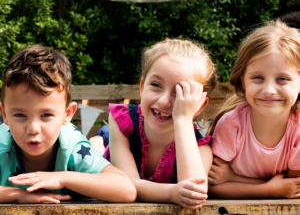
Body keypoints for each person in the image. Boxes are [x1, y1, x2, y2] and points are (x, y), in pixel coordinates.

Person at [90, 39, 217, 210]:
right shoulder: (122, 121)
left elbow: (195, 193)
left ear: (199, 105)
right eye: (156, 85)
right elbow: (128, 185)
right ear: (142, 87)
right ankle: (98, 140)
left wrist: (183, 118)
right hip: (111, 144)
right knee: (95, 149)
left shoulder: (200, 149)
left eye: (179, 92)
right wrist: (171, 193)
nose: (164, 101)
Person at [0, 45, 136, 204]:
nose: (33, 129)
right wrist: (17, 194)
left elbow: (126, 190)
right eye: (20, 115)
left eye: (46, 115)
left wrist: (63, 178)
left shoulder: (72, 146)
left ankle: (98, 141)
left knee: (96, 149)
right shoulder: (2, 143)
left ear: (67, 114)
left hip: (88, 152)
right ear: (4, 115)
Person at [208, 19, 300, 199]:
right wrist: (269, 189)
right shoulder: (231, 124)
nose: (268, 90)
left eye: (282, 78)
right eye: (258, 77)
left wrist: (233, 178)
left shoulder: (297, 130)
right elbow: (211, 187)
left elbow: (293, 187)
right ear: (243, 79)